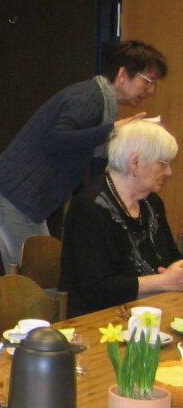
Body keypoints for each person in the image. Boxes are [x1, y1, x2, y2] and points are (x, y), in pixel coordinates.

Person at [0, 40, 167, 273]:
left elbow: (80, 150)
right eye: (148, 81)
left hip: (24, 197)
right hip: (14, 194)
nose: (151, 90)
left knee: (33, 277)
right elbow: (56, 140)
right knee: (36, 279)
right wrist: (113, 129)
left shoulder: (101, 100)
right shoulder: (89, 96)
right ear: (122, 74)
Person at [60, 120, 183, 317]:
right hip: (99, 318)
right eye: (163, 164)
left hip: (151, 307)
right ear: (135, 163)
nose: (168, 172)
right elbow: (95, 288)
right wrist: (162, 281)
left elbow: (170, 256)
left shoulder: (151, 202)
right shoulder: (91, 207)